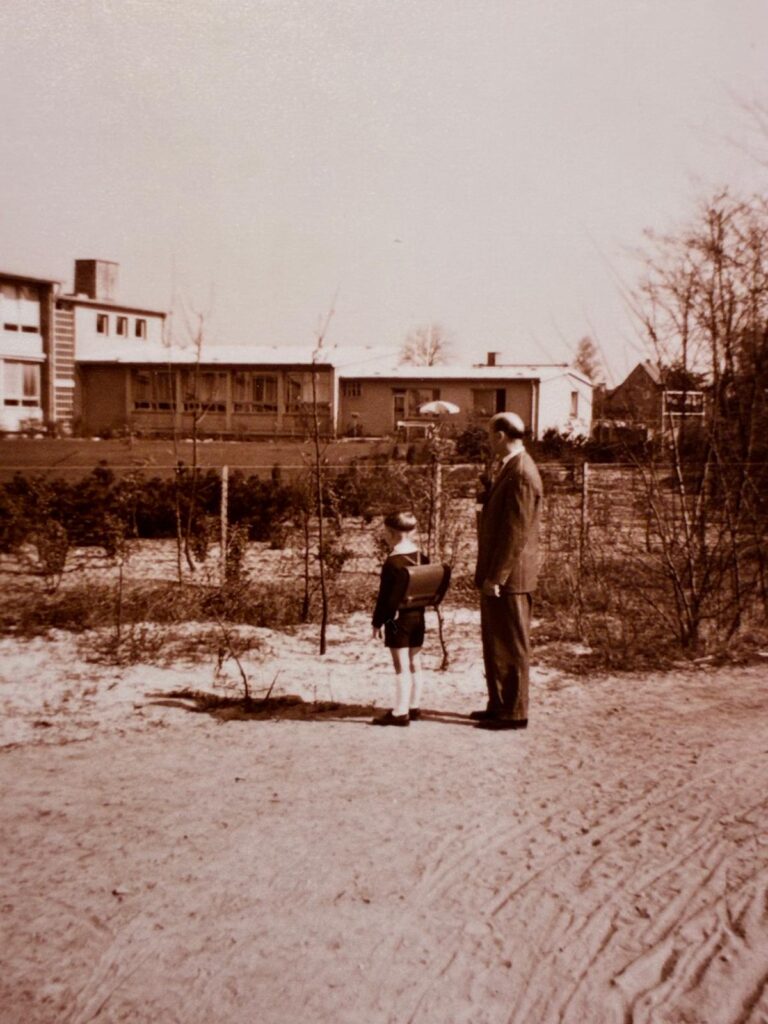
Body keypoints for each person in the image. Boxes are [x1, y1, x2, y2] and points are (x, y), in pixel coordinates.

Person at [473, 411, 543, 731]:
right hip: (500, 573)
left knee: (512, 645)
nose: (488, 441)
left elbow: (516, 533)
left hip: (510, 577)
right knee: (496, 643)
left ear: (500, 435)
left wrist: (497, 577)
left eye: (490, 435)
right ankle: (499, 705)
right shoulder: (509, 468)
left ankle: (514, 712)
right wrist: (486, 495)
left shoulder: (522, 472)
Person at [371, 511, 428, 727]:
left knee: (400, 665)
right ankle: (414, 707)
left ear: (392, 533)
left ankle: (399, 713)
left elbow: (386, 598)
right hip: (418, 616)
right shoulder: (422, 557)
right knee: (416, 662)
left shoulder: (393, 562)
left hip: (397, 620)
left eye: (386, 532)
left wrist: (378, 622)